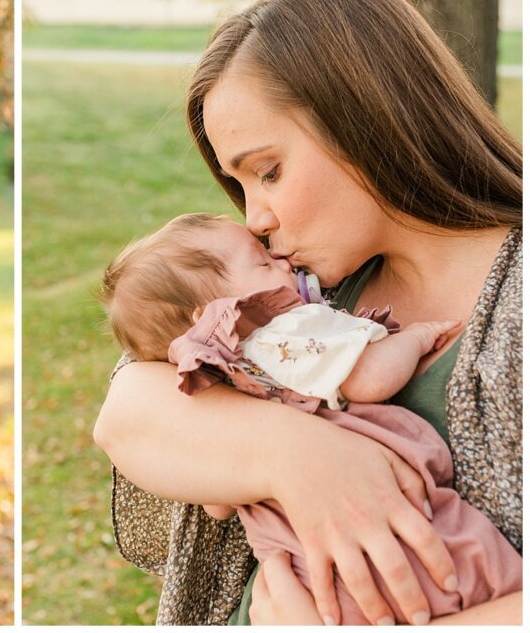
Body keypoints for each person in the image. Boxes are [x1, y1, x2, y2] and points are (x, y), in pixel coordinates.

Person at [93, 0, 521, 626]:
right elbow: (124, 412)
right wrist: (295, 455)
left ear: (370, 117)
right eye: (240, 186)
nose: (254, 219)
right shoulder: (306, 291)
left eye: (269, 171)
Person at [100, 213, 522, 624]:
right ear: (217, 313)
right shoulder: (284, 332)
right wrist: (415, 336)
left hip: (297, 571)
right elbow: (368, 380)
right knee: (471, 560)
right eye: (264, 264)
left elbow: (217, 506)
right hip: (394, 545)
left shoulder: (211, 376)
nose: (279, 259)